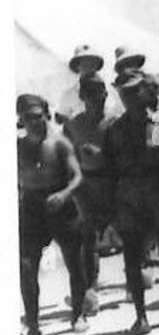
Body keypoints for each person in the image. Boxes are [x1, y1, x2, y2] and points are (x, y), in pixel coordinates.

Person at [101, 73, 159, 335]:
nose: (128, 98)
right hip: (128, 196)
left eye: (133, 92)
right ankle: (141, 316)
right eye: (123, 94)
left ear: (143, 92)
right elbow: (110, 168)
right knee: (131, 256)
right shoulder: (116, 129)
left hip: (158, 192)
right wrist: (112, 205)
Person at [17, 94, 87, 335]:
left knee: (73, 261)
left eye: (37, 117)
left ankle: (78, 313)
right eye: (27, 118)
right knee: (26, 266)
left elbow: (77, 175)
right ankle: (33, 325)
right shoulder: (18, 146)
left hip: (60, 204)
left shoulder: (59, 143)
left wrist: (64, 193)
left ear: (45, 114)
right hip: (32, 208)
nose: (34, 123)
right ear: (21, 120)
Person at [62, 73, 113, 312]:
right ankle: (90, 290)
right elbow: (66, 156)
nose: (97, 97)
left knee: (129, 231)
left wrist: (102, 156)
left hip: (114, 183)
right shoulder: (73, 125)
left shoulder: (115, 121)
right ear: (82, 96)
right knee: (88, 237)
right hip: (87, 186)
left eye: (100, 91)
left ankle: (139, 273)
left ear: (106, 93)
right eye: (91, 93)